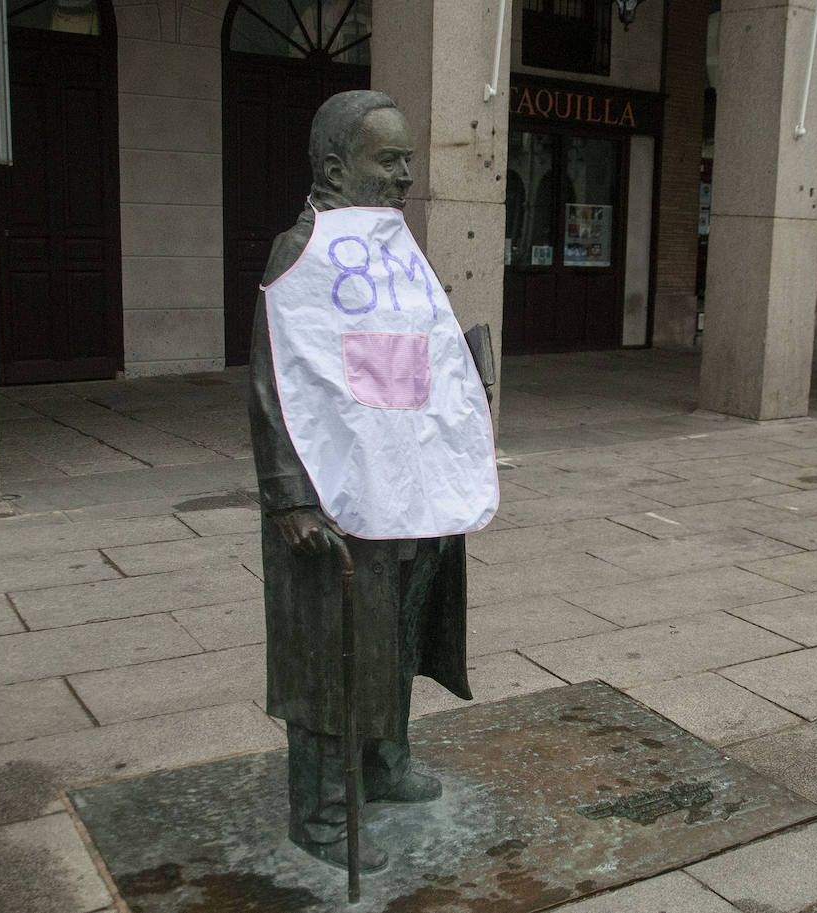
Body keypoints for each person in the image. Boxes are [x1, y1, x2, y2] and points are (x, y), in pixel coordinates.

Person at [248, 90, 493, 874]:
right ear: (333, 168)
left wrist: (466, 392)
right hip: (335, 494)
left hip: (409, 486)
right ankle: (321, 812)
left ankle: (385, 763)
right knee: (335, 655)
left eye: (407, 160)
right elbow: (276, 379)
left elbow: (412, 353)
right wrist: (288, 493)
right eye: (389, 160)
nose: (406, 176)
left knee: (395, 637)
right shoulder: (300, 251)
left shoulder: (394, 246)